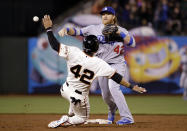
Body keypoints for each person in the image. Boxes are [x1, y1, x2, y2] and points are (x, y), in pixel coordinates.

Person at [42, 15, 146, 128]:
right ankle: (67, 119)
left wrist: (49, 29)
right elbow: (117, 77)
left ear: (83, 45)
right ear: (97, 49)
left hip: (65, 90)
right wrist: (132, 86)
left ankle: (71, 111)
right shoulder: (99, 63)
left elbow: (54, 45)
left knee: (77, 93)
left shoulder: (73, 51)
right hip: (79, 96)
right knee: (82, 119)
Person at [58, 6, 136, 124]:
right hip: (101, 65)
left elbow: (132, 43)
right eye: (103, 14)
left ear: (113, 17)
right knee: (105, 96)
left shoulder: (121, 30)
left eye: (108, 14)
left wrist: (120, 33)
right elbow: (78, 31)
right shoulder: (93, 29)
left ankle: (127, 118)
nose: (105, 16)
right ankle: (112, 109)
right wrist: (67, 30)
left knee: (113, 88)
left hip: (117, 63)